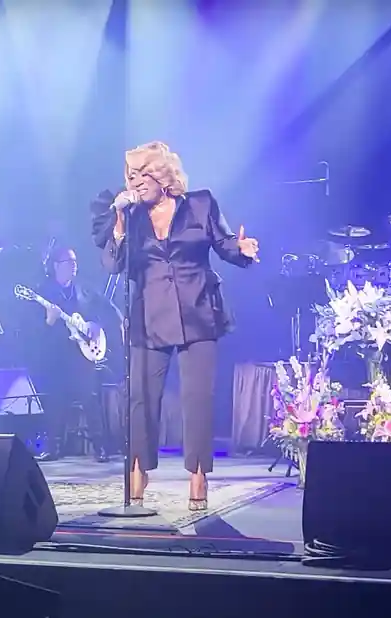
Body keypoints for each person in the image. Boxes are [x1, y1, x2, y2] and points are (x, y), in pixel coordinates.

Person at [100, 141, 259, 510]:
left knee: (197, 399)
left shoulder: (200, 204)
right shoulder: (132, 216)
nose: (136, 182)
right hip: (149, 316)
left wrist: (243, 250)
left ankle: (198, 476)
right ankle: (137, 472)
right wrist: (119, 224)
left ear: (162, 175)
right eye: (131, 176)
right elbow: (113, 265)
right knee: (141, 398)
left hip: (197, 311)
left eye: (142, 174)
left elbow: (225, 244)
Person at [31, 246, 121, 462]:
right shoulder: (43, 292)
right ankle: (54, 447)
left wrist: (100, 326)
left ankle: (100, 447)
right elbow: (33, 331)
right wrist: (49, 321)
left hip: (82, 355)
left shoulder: (84, 290)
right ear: (56, 266)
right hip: (57, 355)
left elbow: (108, 309)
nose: (73, 266)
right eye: (68, 262)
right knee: (56, 401)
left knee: (90, 398)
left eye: (74, 262)